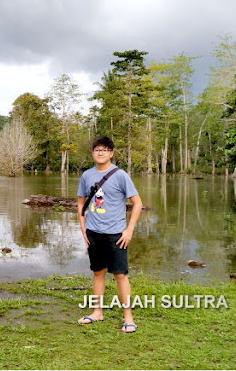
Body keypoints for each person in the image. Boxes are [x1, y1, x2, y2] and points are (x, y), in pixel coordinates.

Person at [76, 136, 142, 333]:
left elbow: (137, 203)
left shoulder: (121, 176)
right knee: (98, 272)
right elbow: (81, 202)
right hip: (93, 232)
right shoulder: (87, 175)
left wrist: (129, 230)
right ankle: (98, 312)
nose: (100, 153)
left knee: (120, 275)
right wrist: (82, 226)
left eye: (105, 150)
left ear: (111, 153)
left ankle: (128, 317)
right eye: (97, 150)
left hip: (116, 234)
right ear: (92, 153)